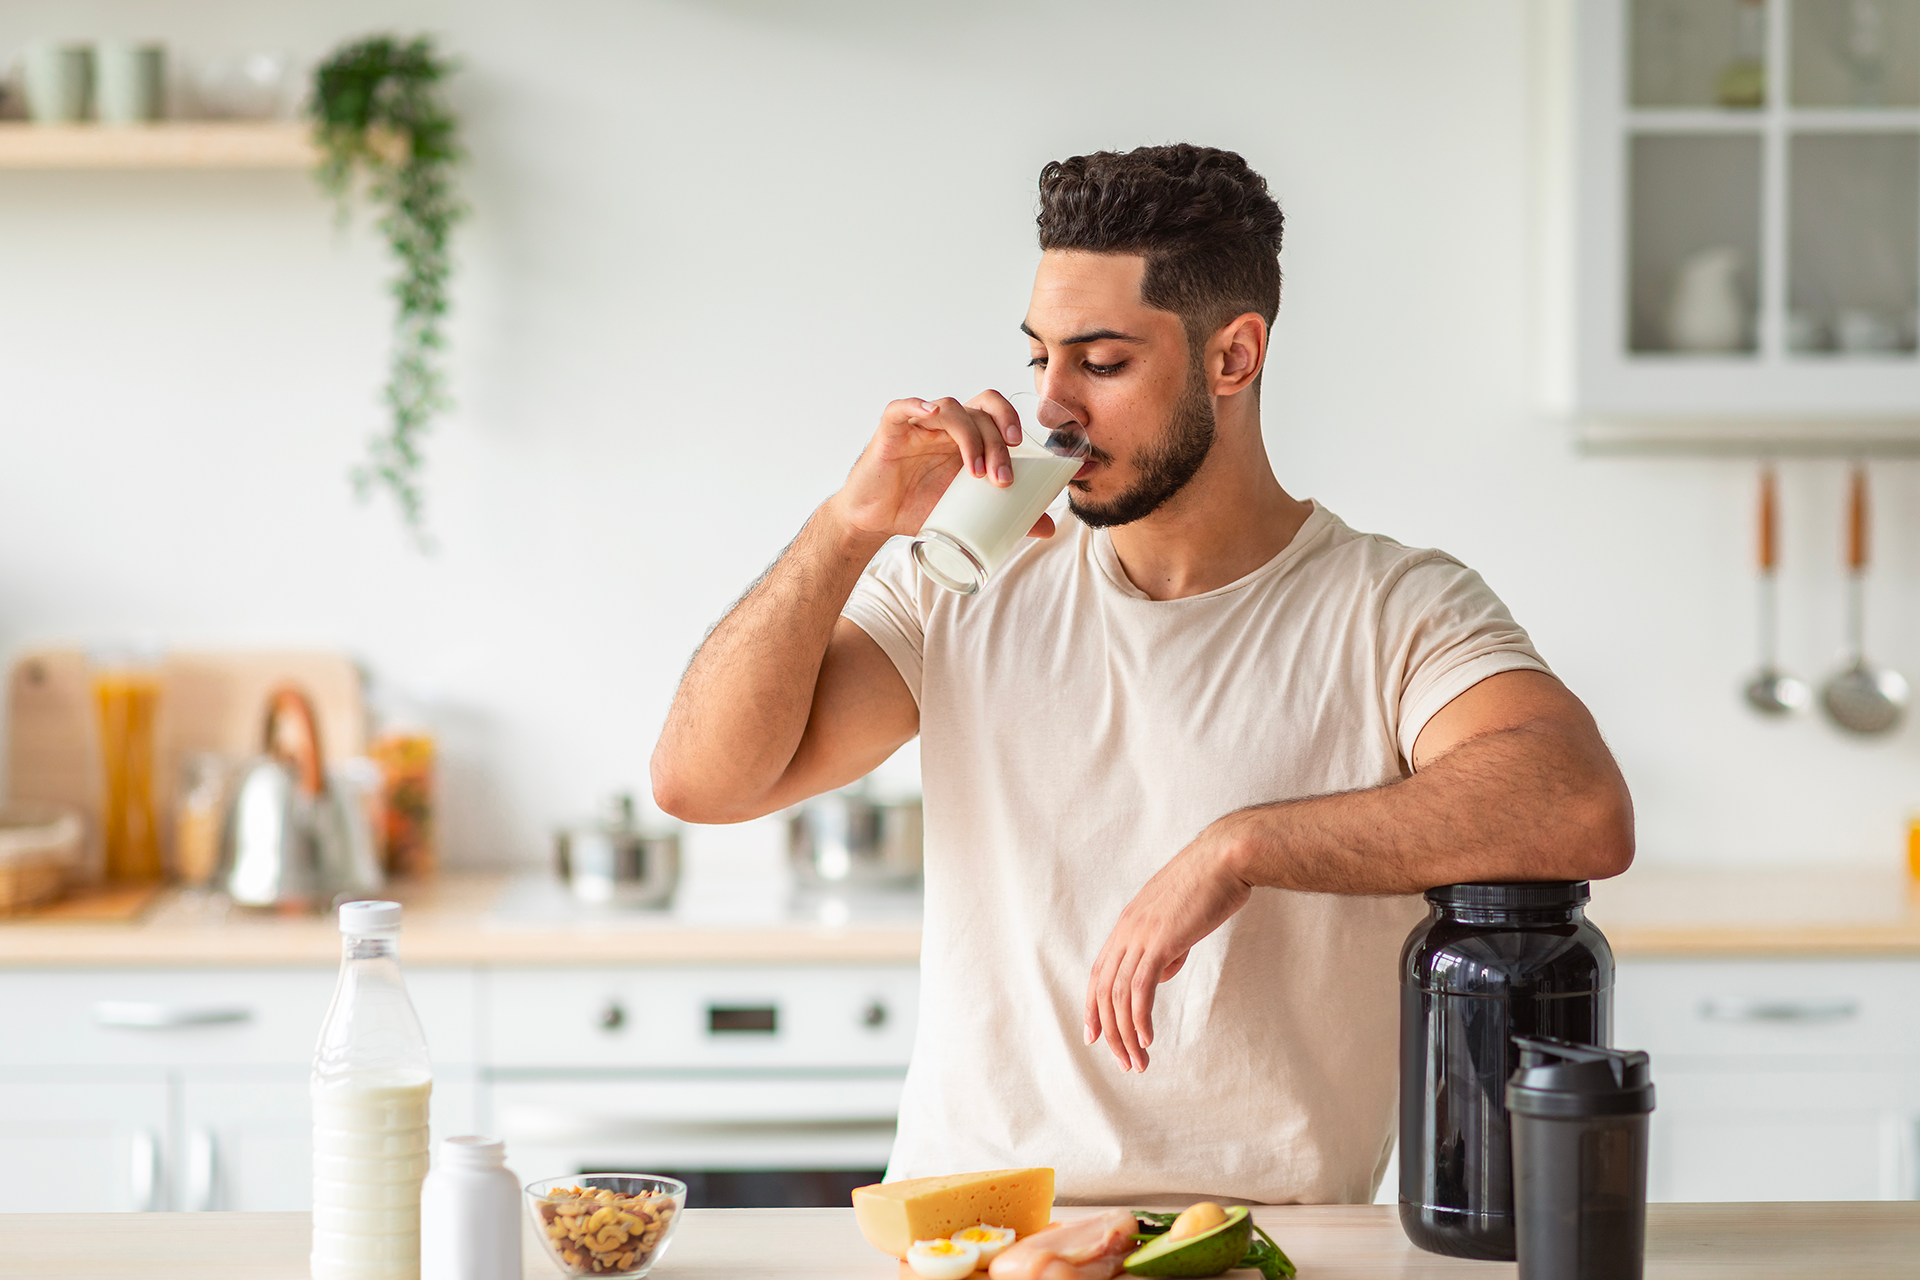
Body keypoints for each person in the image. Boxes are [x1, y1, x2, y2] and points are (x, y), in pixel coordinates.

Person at [651, 144, 1632, 1205]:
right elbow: (703, 781)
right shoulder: (967, 578)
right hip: (973, 1235)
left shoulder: (1393, 605)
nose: (1053, 406)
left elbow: (1578, 803)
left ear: (1234, 356)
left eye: (1101, 362)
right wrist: (846, 527)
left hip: (1258, 1246)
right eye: (1039, 358)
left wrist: (1240, 846)